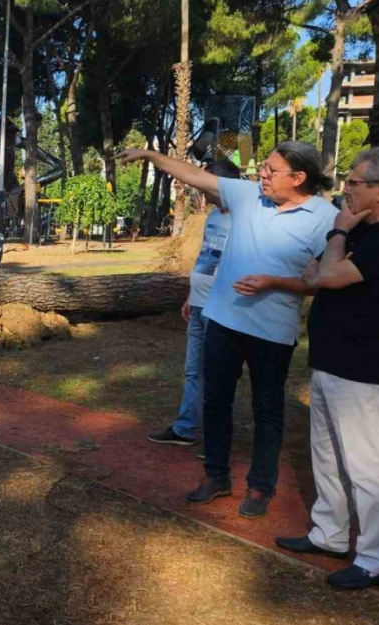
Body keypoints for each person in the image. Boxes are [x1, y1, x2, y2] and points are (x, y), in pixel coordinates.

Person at [119, 141, 336, 519]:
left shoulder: (325, 218)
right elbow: (195, 175)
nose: (261, 175)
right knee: (215, 401)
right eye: (263, 168)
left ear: (299, 178)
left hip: (272, 334)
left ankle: (260, 486)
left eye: (271, 170)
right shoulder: (250, 195)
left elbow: (326, 280)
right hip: (222, 321)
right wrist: (152, 157)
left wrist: (275, 282)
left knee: (267, 410)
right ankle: (216, 476)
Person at [276, 148, 379, 590]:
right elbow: (312, 275)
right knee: (326, 456)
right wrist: (335, 249)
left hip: (366, 367)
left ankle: (378, 560)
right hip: (331, 358)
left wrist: (338, 234)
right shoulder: (364, 232)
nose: (346, 189)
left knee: (368, 467)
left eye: (354, 182)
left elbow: (325, 277)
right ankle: (330, 533)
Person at [148, 159, 240, 447]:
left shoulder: (243, 219)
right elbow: (206, 257)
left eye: (205, 181)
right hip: (199, 305)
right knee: (193, 371)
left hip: (222, 309)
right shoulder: (212, 217)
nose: (201, 188)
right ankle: (185, 428)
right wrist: (190, 296)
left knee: (218, 375)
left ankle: (217, 440)